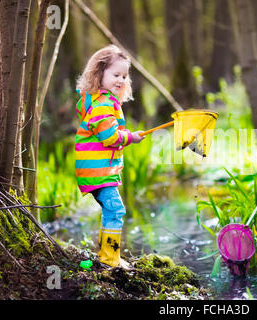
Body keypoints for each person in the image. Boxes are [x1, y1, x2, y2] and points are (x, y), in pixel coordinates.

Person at [74, 45, 145, 268]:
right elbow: (110, 137)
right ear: (99, 73)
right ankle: (109, 259)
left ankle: (108, 255)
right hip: (98, 171)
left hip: (100, 170)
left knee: (111, 210)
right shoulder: (102, 105)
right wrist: (130, 137)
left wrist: (127, 135)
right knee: (116, 210)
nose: (121, 80)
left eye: (124, 76)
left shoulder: (105, 102)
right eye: (116, 75)